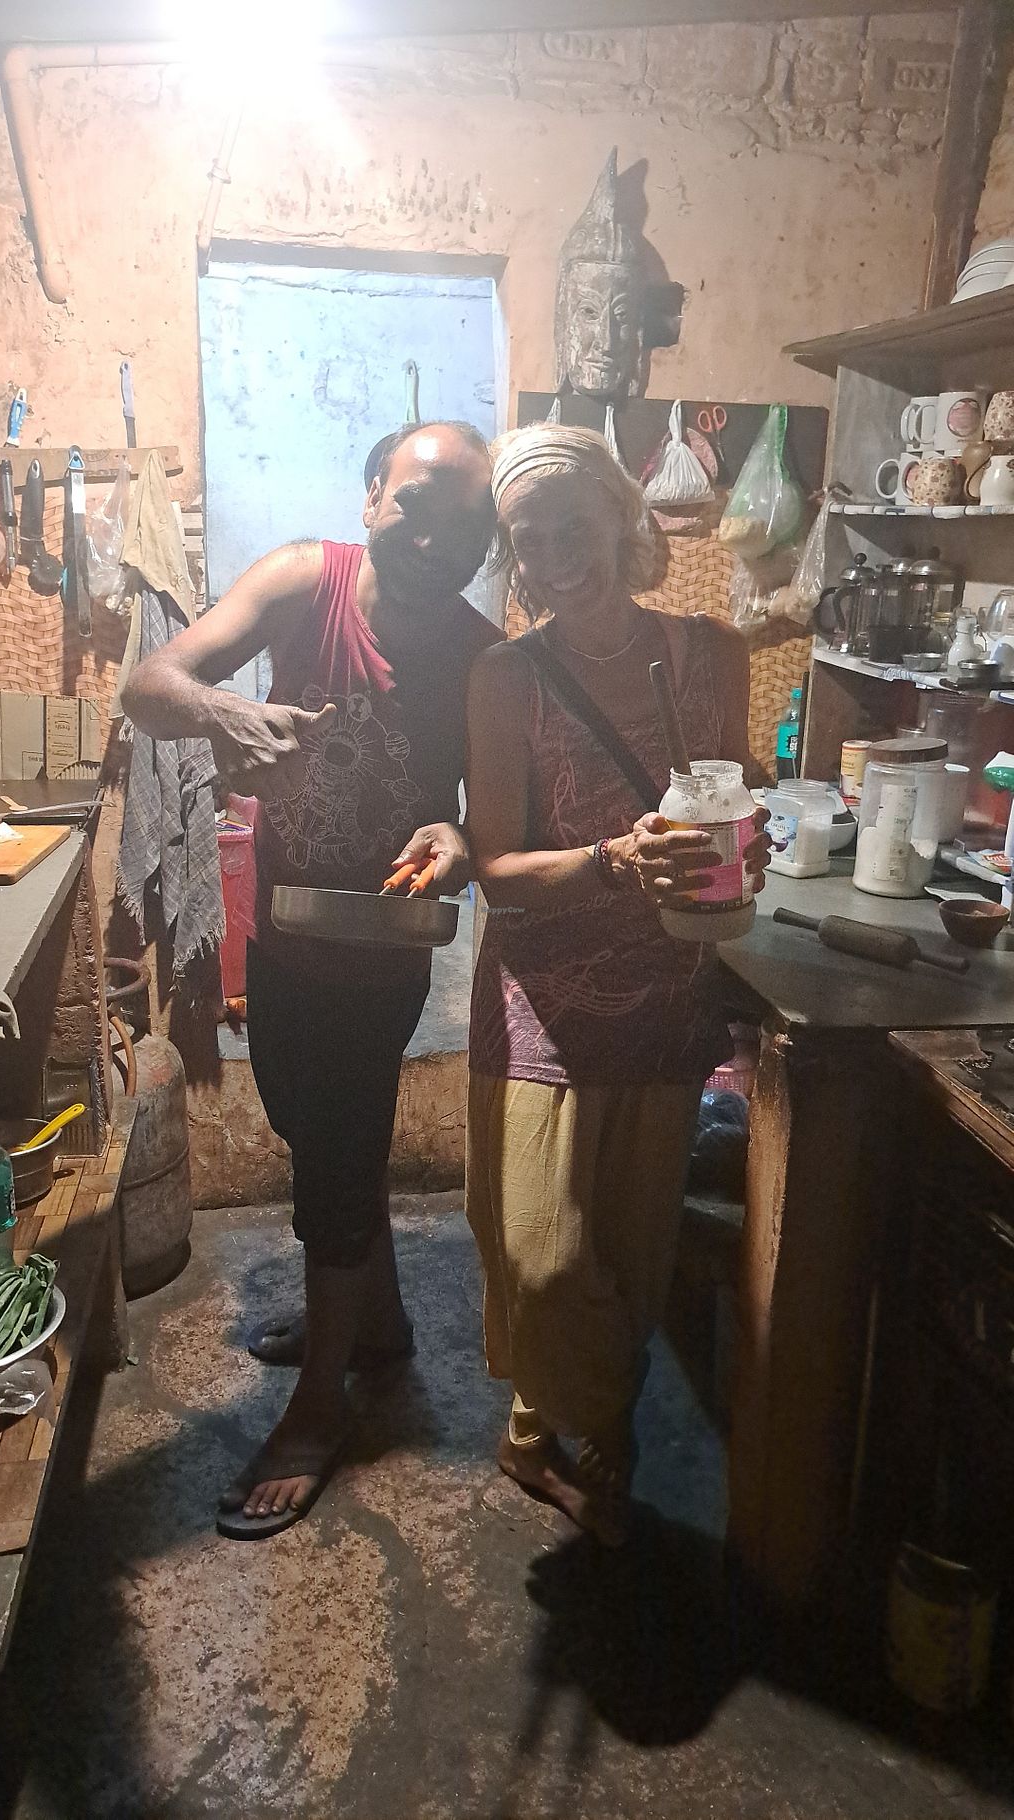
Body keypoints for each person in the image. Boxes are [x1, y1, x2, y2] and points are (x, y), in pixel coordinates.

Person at [123, 422, 498, 1539]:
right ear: (372, 492)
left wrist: (461, 837)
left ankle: (320, 1406)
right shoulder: (303, 581)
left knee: (336, 1156)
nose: (437, 536)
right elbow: (150, 684)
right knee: (311, 1126)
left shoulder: (486, 657)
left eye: (468, 520)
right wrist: (226, 710)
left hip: (381, 952)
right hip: (284, 932)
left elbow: (496, 818)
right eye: (416, 501)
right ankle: (377, 1326)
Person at [463, 423, 770, 1546]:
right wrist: (611, 859)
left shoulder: (712, 653)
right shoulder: (506, 677)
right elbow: (496, 869)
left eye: (571, 527)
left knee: (634, 1255)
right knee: (543, 1257)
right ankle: (586, 1411)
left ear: (621, 518)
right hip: (542, 1003)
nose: (552, 557)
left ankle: (554, 1433)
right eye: (526, 538)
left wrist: (749, 840)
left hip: (668, 994)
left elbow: (735, 787)